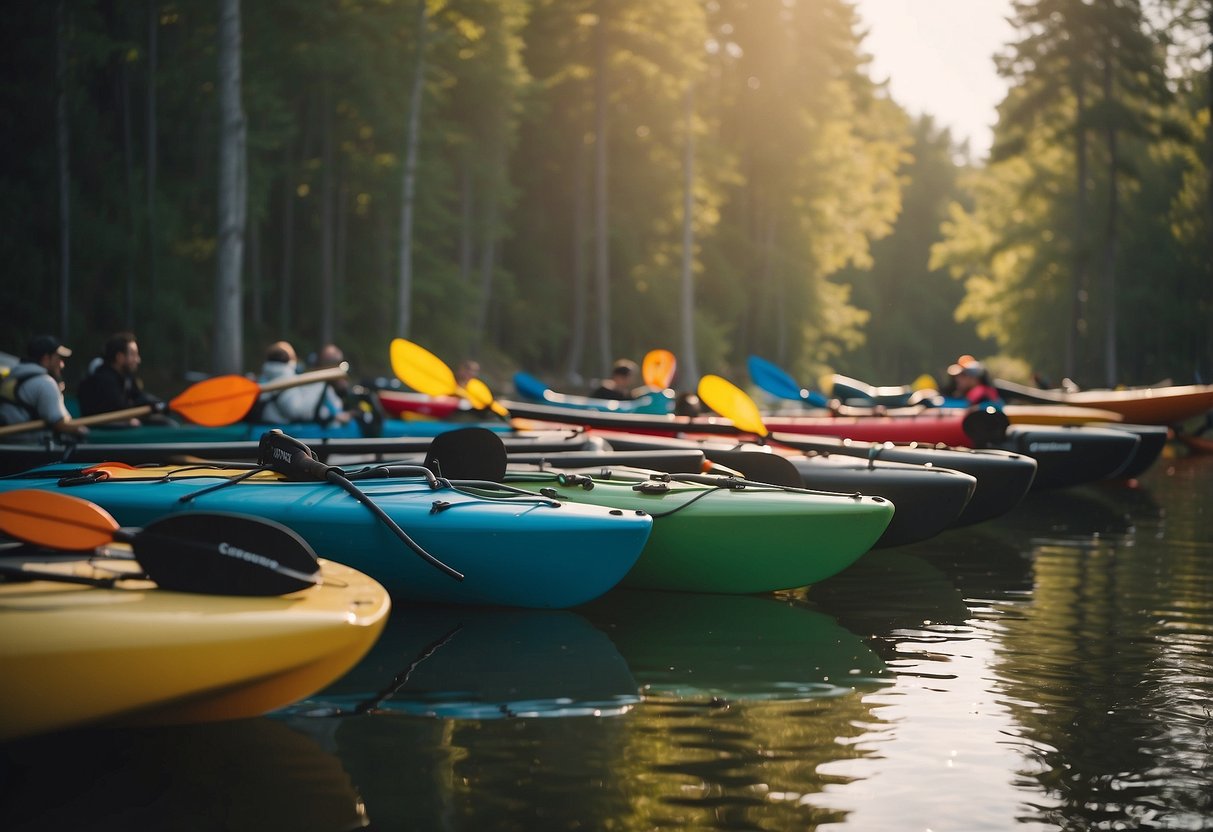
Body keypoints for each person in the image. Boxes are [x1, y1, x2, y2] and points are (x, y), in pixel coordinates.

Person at [0, 334, 88, 441]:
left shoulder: (12, 377)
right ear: (46, 359)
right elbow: (59, 423)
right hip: (29, 446)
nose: (61, 364)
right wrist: (82, 430)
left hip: (8, 441)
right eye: (58, 358)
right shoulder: (45, 383)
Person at [77, 332, 166, 425]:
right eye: (133, 355)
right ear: (120, 357)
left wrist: (157, 403)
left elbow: (138, 396)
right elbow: (119, 409)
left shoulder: (126, 378)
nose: (138, 360)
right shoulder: (103, 381)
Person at [255, 340, 352, 425]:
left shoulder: (264, 378)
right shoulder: (287, 378)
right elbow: (296, 410)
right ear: (291, 360)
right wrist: (332, 416)